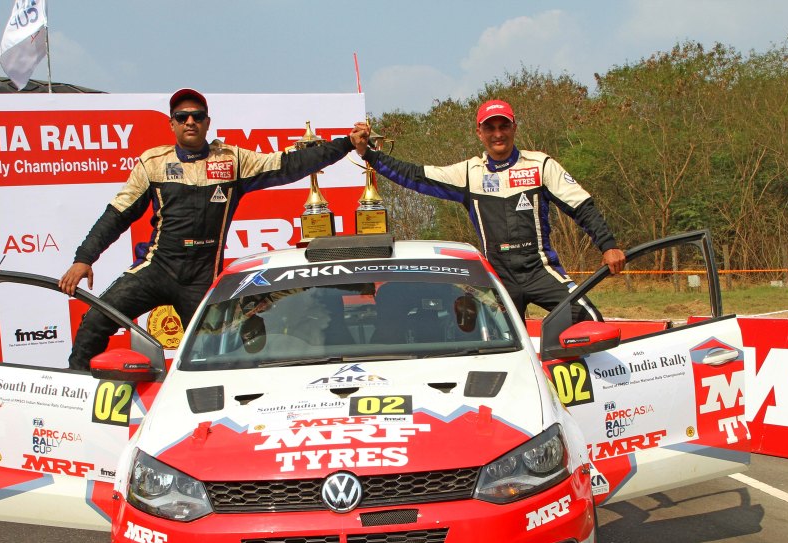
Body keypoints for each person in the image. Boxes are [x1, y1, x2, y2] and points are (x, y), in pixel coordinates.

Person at [59, 87, 370, 370]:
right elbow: (117, 214)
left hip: (202, 275)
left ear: (208, 123)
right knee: (96, 319)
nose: (190, 122)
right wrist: (84, 257)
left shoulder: (232, 160)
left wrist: (346, 144)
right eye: (182, 117)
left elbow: (289, 164)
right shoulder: (152, 163)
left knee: (214, 356)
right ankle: (75, 387)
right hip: (158, 267)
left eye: (197, 116)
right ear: (172, 124)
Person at [352, 98, 625, 321]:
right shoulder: (469, 172)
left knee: (589, 319)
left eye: (503, 126)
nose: (498, 134)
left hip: (540, 270)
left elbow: (582, 206)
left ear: (514, 128)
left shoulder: (540, 165)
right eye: (490, 128)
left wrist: (608, 246)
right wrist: (369, 154)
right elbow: (414, 175)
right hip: (497, 276)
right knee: (480, 336)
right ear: (479, 133)